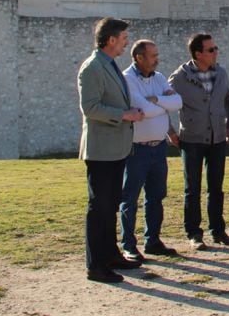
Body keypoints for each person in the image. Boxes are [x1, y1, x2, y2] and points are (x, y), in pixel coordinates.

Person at [76, 17, 146, 283]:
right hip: (101, 148)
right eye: (124, 38)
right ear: (111, 39)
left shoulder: (110, 65)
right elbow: (90, 108)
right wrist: (125, 115)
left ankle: (110, 255)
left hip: (116, 147)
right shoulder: (92, 68)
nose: (127, 43)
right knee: (99, 207)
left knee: (110, 205)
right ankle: (95, 265)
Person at [168, 33, 229, 250]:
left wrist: (227, 126)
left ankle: (218, 230)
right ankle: (194, 233)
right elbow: (163, 101)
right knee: (192, 188)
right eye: (211, 50)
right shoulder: (180, 77)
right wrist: (170, 132)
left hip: (216, 137)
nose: (216, 52)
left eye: (215, 48)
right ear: (198, 54)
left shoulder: (221, 74)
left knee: (216, 187)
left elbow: (227, 98)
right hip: (192, 138)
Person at [119, 39, 182, 261]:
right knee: (130, 197)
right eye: (153, 56)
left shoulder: (159, 77)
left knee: (156, 196)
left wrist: (158, 101)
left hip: (158, 147)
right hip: (137, 149)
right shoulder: (127, 79)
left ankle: (153, 240)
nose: (157, 59)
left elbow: (178, 102)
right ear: (139, 58)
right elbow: (142, 109)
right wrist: (162, 104)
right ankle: (128, 244)